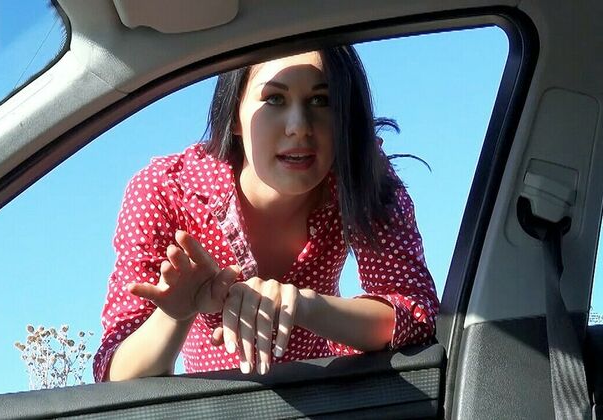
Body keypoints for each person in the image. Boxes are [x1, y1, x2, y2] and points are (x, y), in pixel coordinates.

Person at [93, 45, 439, 382]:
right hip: (215, 406)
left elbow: (416, 313)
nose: (299, 127)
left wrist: (305, 306)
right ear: (234, 114)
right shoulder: (166, 191)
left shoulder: (361, 177)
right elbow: (115, 373)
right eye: (274, 99)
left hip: (329, 398)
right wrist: (176, 315)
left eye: (322, 100)